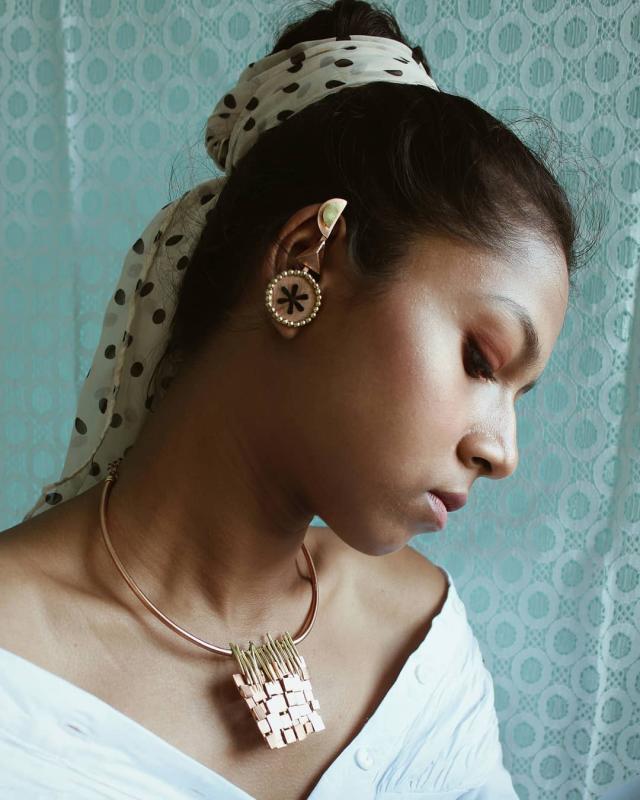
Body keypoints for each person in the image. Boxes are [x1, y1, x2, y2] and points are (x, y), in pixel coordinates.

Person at [0, 0, 579, 797]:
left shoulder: (420, 638)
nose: (502, 452)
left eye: (519, 394)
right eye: (481, 360)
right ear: (307, 259)